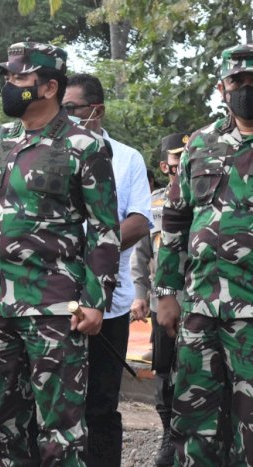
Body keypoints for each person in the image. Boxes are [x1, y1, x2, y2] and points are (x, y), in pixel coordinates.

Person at [0, 42, 121, 466]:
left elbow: (104, 228)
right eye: (8, 77)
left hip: (55, 308)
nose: (9, 85)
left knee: (60, 429)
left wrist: (97, 301)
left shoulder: (85, 145)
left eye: (19, 78)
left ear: (48, 87)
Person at [155, 43, 253, 465]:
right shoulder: (202, 144)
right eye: (238, 81)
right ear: (222, 87)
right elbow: (175, 221)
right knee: (194, 416)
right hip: (200, 305)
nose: (246, 88)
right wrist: (166, 292)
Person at [64, 73, 152, 467]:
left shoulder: (127, 157)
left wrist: (92, 253)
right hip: (51, 297)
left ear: (95, 110)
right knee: (54, 400)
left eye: (72, 109)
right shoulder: (48, 151)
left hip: (106, 300)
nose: (64, 115)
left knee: (100, 403)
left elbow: (138, 221)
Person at [130, 132, 187, 465]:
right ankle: (168, 435)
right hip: (161, 301)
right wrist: (139, 295)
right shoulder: (153, 202)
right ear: (165, 166)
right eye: (175, 167)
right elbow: (142, 253)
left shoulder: (208, 195)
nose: (180, 173)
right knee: (164, 374)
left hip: (201, 301)